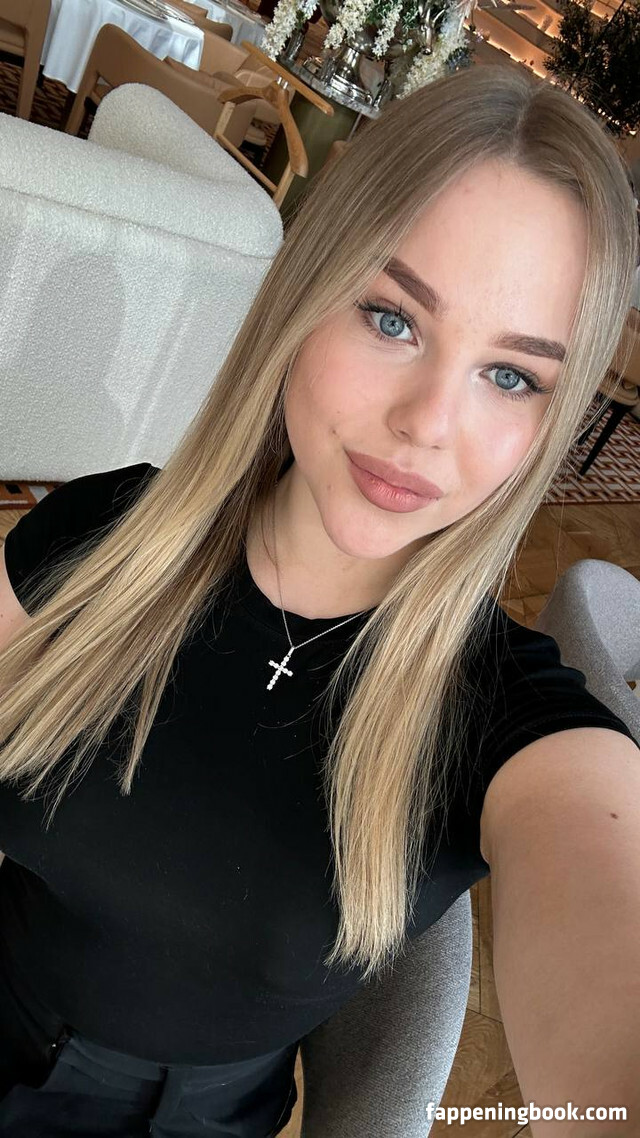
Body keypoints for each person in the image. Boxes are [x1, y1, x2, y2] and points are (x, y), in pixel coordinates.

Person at [0, 63, 639, 1136]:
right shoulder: (107, 530)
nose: (427, 423)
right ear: (305, 294)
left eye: (512, 376)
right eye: (392, 318)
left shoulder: (506, 721)